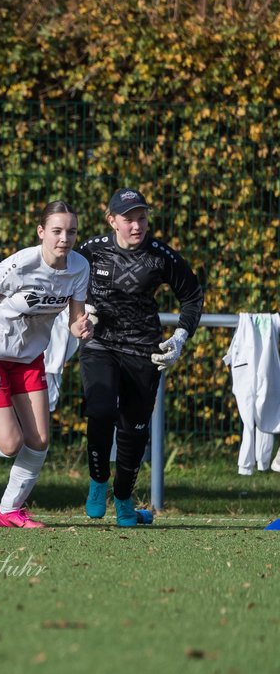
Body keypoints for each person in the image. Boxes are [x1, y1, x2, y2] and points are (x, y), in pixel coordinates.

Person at [0, 201, 92, 528]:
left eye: (71, 231)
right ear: (41, 232)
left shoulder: (79, 267)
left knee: (40, 440)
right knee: (11, 444)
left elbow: (74, 320)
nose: (64, 238)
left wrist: (82, 328)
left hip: (29, 359)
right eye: (56, 231)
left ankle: (9, 510)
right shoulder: (20, 265)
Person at [77, 187, 203, 527]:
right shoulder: (91, 250)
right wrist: (81, 312)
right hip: (99, 344)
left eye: (142, 218)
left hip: (143, 349)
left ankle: (122, 497)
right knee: (101, 410)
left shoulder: (162, 256)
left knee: (133, 428)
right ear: (112, 221)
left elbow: (192, 296)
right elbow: (65, 280)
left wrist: (180, 337)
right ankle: (98, 480)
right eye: (129, 219)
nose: (136, 226)